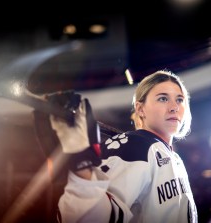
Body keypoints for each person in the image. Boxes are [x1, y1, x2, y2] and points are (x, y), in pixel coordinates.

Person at [44, 69, 198, 222]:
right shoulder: (135, 146)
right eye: (163, 99)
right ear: (140, 109)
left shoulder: (173, 157)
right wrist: (82, 167)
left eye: (179, 99)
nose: (174, 107)